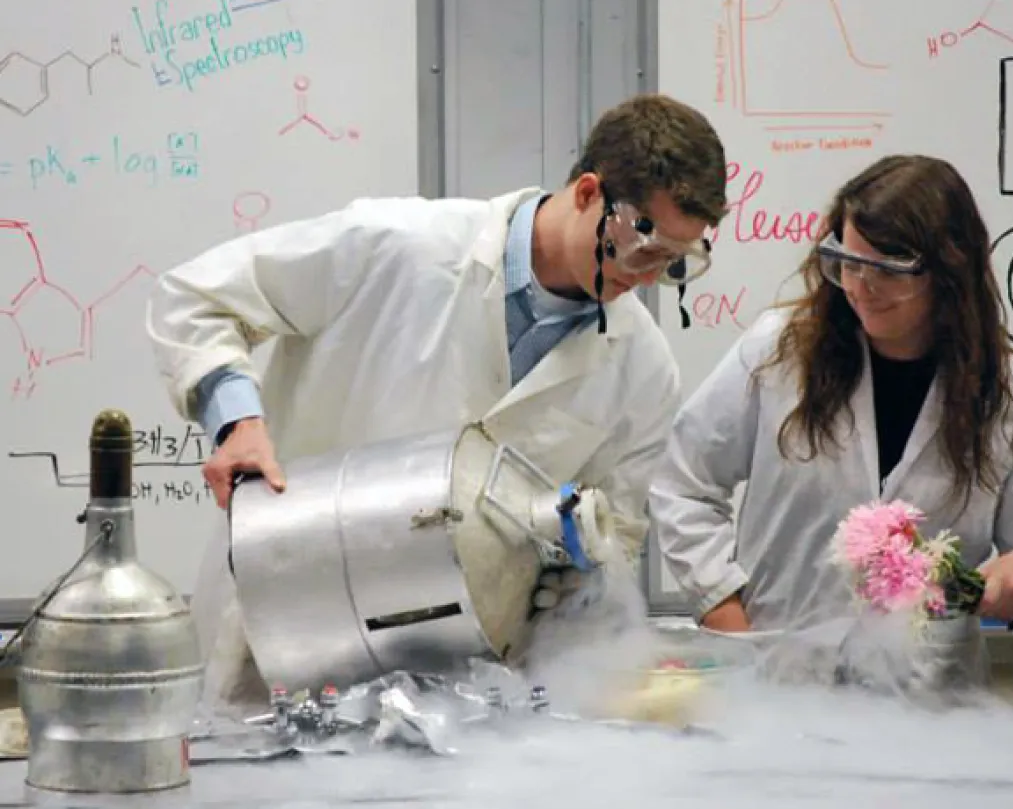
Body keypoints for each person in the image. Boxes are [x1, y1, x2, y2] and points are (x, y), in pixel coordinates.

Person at [147, 93, 727, 711]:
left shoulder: (643, 371)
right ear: (588, 192)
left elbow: (615, 539)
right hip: (284, 640)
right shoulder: (397, 246)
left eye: (674, 261)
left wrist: (583, 575)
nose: (645, 275)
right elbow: (196, 298)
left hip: (465, 691)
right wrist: (237, 422)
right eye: (641, 243)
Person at [647, 154, 1013, 687]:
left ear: (949, 272)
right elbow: (683, 484)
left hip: (928, 701)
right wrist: (726, 613)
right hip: (778, 682)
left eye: (886, 270)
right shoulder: (779, 353)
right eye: (847, 262)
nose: (859, 287)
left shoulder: (1011, 397)